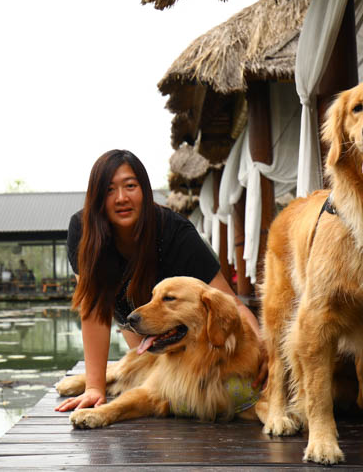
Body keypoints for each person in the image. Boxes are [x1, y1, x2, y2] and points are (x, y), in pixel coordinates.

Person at [55, 149, 265, 413]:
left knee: (157, 376)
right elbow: (94, 311)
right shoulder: (84, 230)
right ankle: (104, 377)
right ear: (97, 198)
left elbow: (230, 304)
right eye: (109, 190)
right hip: (132, 315)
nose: (121, 198)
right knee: (142, 372)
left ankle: (115, 373)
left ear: (144, 189)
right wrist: (94, 387)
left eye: (130, 186)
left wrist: (264, 350)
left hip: (176, 318)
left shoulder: (176, 233)